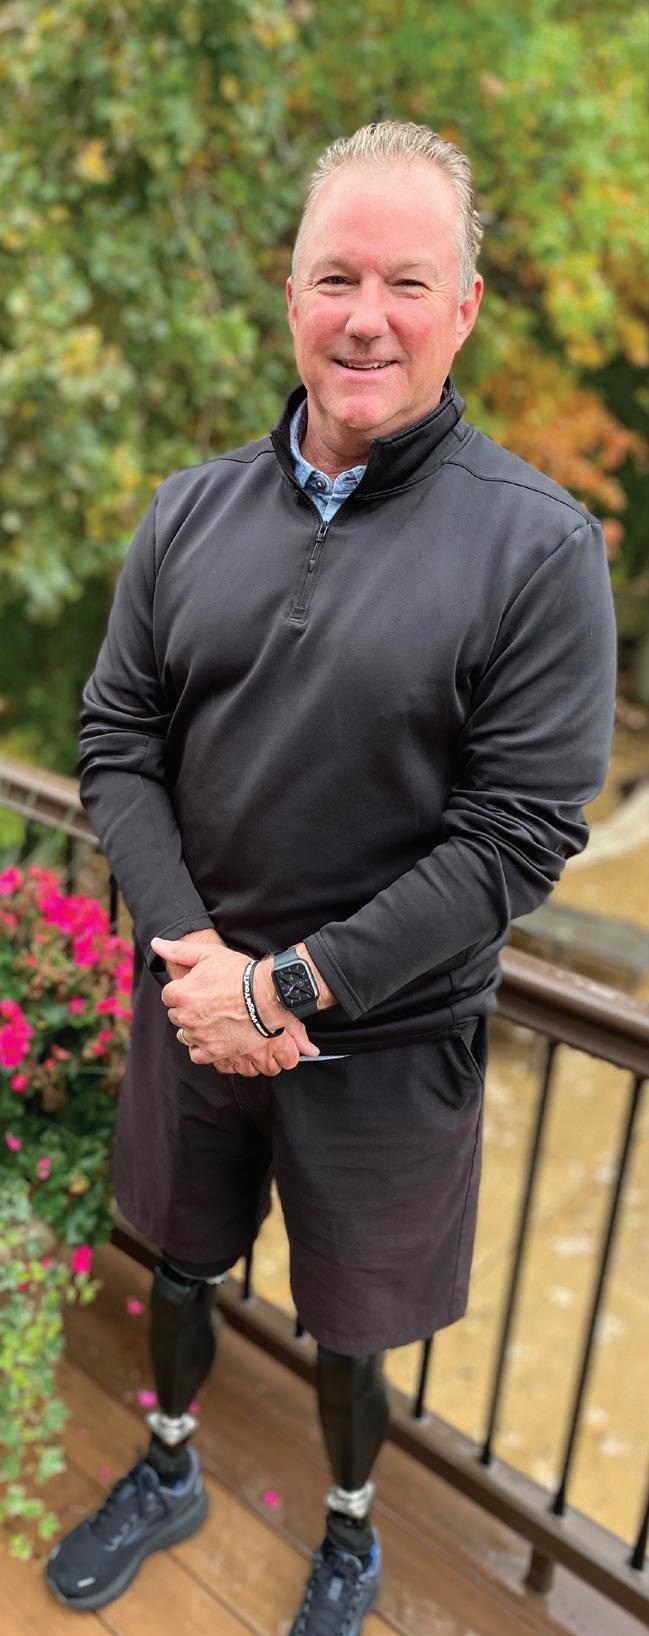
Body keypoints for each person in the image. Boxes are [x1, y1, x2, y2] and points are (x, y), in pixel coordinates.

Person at [46, 121, 616, 1632]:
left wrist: (290, 989)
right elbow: (116, 740)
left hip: (382, 1045)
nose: (368, 318)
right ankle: (168, 1464)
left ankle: (349, 1534)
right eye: (336, 277)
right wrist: (198, 962)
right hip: (195, 1012)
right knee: (178, 1265)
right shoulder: (189, 512)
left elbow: (516, 834)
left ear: (464, 309)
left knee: (353, 1332)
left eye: (407, 283)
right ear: (290, 293)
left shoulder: (538, 550)